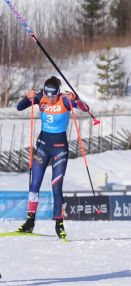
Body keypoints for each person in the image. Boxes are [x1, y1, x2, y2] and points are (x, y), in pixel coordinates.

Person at [15, 76, 89, 240]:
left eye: (52, 96)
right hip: (42, 146)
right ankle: (30, 221)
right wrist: (27, 98)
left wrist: (76, 98)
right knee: (35, 184)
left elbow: (85, 108)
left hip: (59, 149)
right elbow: (20, 107)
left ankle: (59, 224)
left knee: (57, 187)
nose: (50, 99)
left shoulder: (65, 99)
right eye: (47, 96)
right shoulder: (40, 96)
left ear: (58, 92)